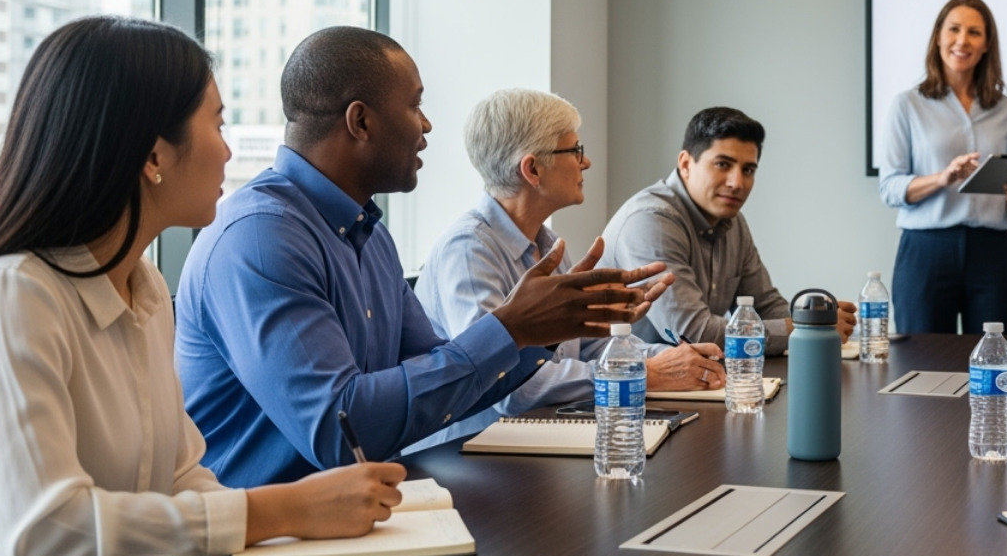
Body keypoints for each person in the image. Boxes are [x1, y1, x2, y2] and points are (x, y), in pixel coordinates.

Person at [0, 17, 404, 556]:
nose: (230, 149)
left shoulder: (150, 290)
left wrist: (314, 520)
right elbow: (44, 535)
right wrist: (281, 511)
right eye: (218, 123)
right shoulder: (17, 295)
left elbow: (182, 476)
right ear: (155, 154)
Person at [176, 28, 670, 487]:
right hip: (263, 550)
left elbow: (451, 379)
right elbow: (340, 432)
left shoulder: (368, 233)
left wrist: (544, 330)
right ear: (361, 121)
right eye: (416, 105)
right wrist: (511, 328)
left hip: (359, 517)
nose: (428, 124)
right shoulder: (262, 236)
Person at [407, 89, 725, 451]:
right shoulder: (467, 251)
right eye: (575, 151)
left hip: (542, 441)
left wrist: (670, 360)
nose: (585, 162)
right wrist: (643, 374)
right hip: (470, 458)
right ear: (532, 169)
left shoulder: (548, 243)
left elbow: (591, 345)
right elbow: (507, 386)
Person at [599, 107, 856, 353]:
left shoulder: (733, 221)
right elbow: (694, 334)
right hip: (621, 386)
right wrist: (803, 328)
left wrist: (813, 317)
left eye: (748, 170)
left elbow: (765, 304)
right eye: (723, 164)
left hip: (688, 383)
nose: (737, 183)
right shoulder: (651, 220)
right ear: (686, 164)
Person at [877, 0, 1007, 334]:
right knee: (921, 366)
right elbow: (889, 188)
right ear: (938, 37)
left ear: (986, 44)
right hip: (926, 251)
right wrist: (942, 178)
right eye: (954, 29)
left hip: (994, 253)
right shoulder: (907, 104)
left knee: (995, 364)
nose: (962, 40)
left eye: (974, 32)